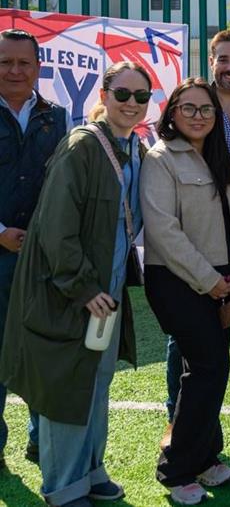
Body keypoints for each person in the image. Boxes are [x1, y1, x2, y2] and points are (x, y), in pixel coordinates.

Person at [0, 60, 150, 506]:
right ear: (103, 96)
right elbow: (56, 229)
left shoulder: (134, 147)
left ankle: (90, 471)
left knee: (96, 386)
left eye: (141, 96)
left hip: (106, 292)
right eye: (122, 94)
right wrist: (83, 288)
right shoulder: (82, 145)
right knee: (66, 390)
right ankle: (64, 488)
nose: (131, 103)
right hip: (70, 293)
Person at [140, 77, 230, 505]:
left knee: (212, 369)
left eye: (206, 109)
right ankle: (175, 469)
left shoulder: (224, 159)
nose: (198, 116)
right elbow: (163, 231)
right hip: (178, 281)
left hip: (224, 281)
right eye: (188, 108)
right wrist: (210, 281)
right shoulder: (160, 159)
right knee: (208, 368)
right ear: (172, 113)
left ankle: (205, 457)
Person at [163, 30, 230, 447]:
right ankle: (177, 415)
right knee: (186, 336)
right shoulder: (194, 106)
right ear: (211, 61)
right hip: (200, 237)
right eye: (223, 59)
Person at [0, 28, 70, 469]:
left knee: (42, 353)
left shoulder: (58, 118)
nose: (14, 70)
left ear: (38, 67)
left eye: (24, 63)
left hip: (43, 260)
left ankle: (40, 442)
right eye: (5, 62)